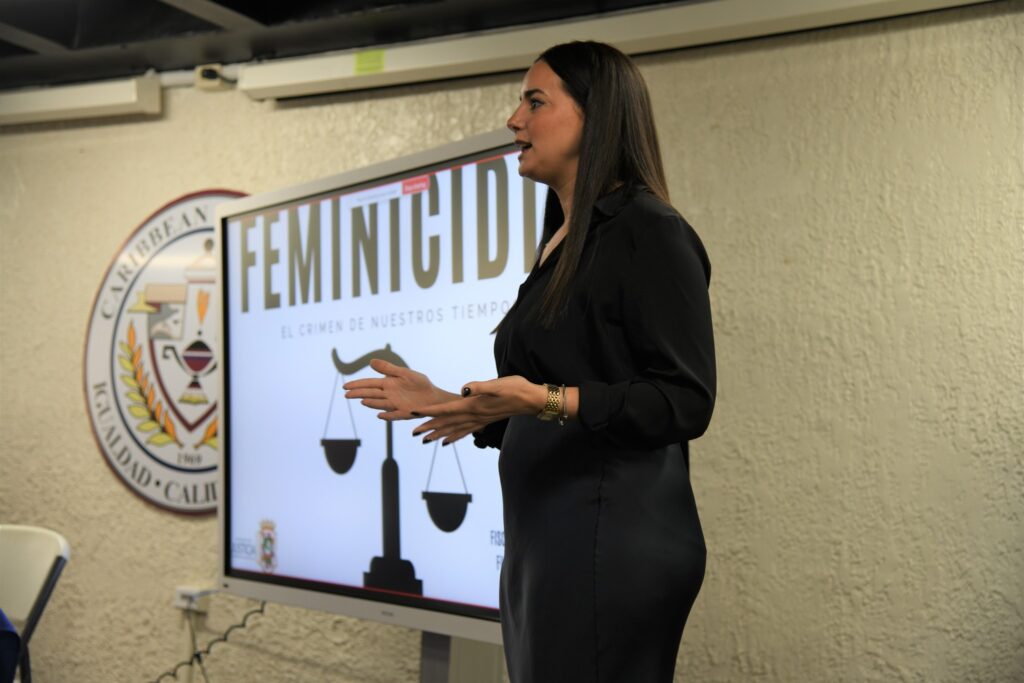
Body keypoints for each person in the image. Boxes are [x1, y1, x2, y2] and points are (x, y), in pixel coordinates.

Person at [344, 40, 716, 683]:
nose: (515, 119)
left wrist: (541, 399)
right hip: (547, 537)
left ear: (596, 117)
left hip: (608, 538)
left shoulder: (648, 230)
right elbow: (563, 384)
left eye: (535, 101)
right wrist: (460, 407)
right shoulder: (563, 241)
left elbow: (683, 399)